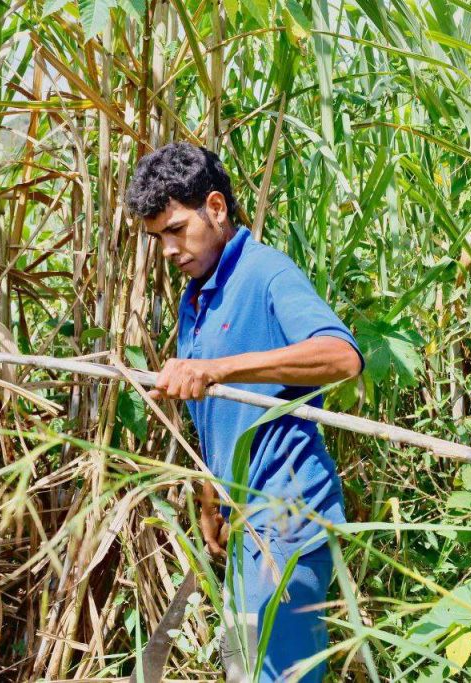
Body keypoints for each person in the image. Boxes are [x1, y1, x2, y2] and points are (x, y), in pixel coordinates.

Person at [126, 142, 363, 682]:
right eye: (156, 237)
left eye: (176, 229)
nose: (166, 249)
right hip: (242, 526)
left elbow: (341, 357)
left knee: (281, 676)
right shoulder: (197, 298)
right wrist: (212, 496)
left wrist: (220, 369)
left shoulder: (266, 273)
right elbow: (222, 415)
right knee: (245, 672)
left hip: (287, 518)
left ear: (216, 208)